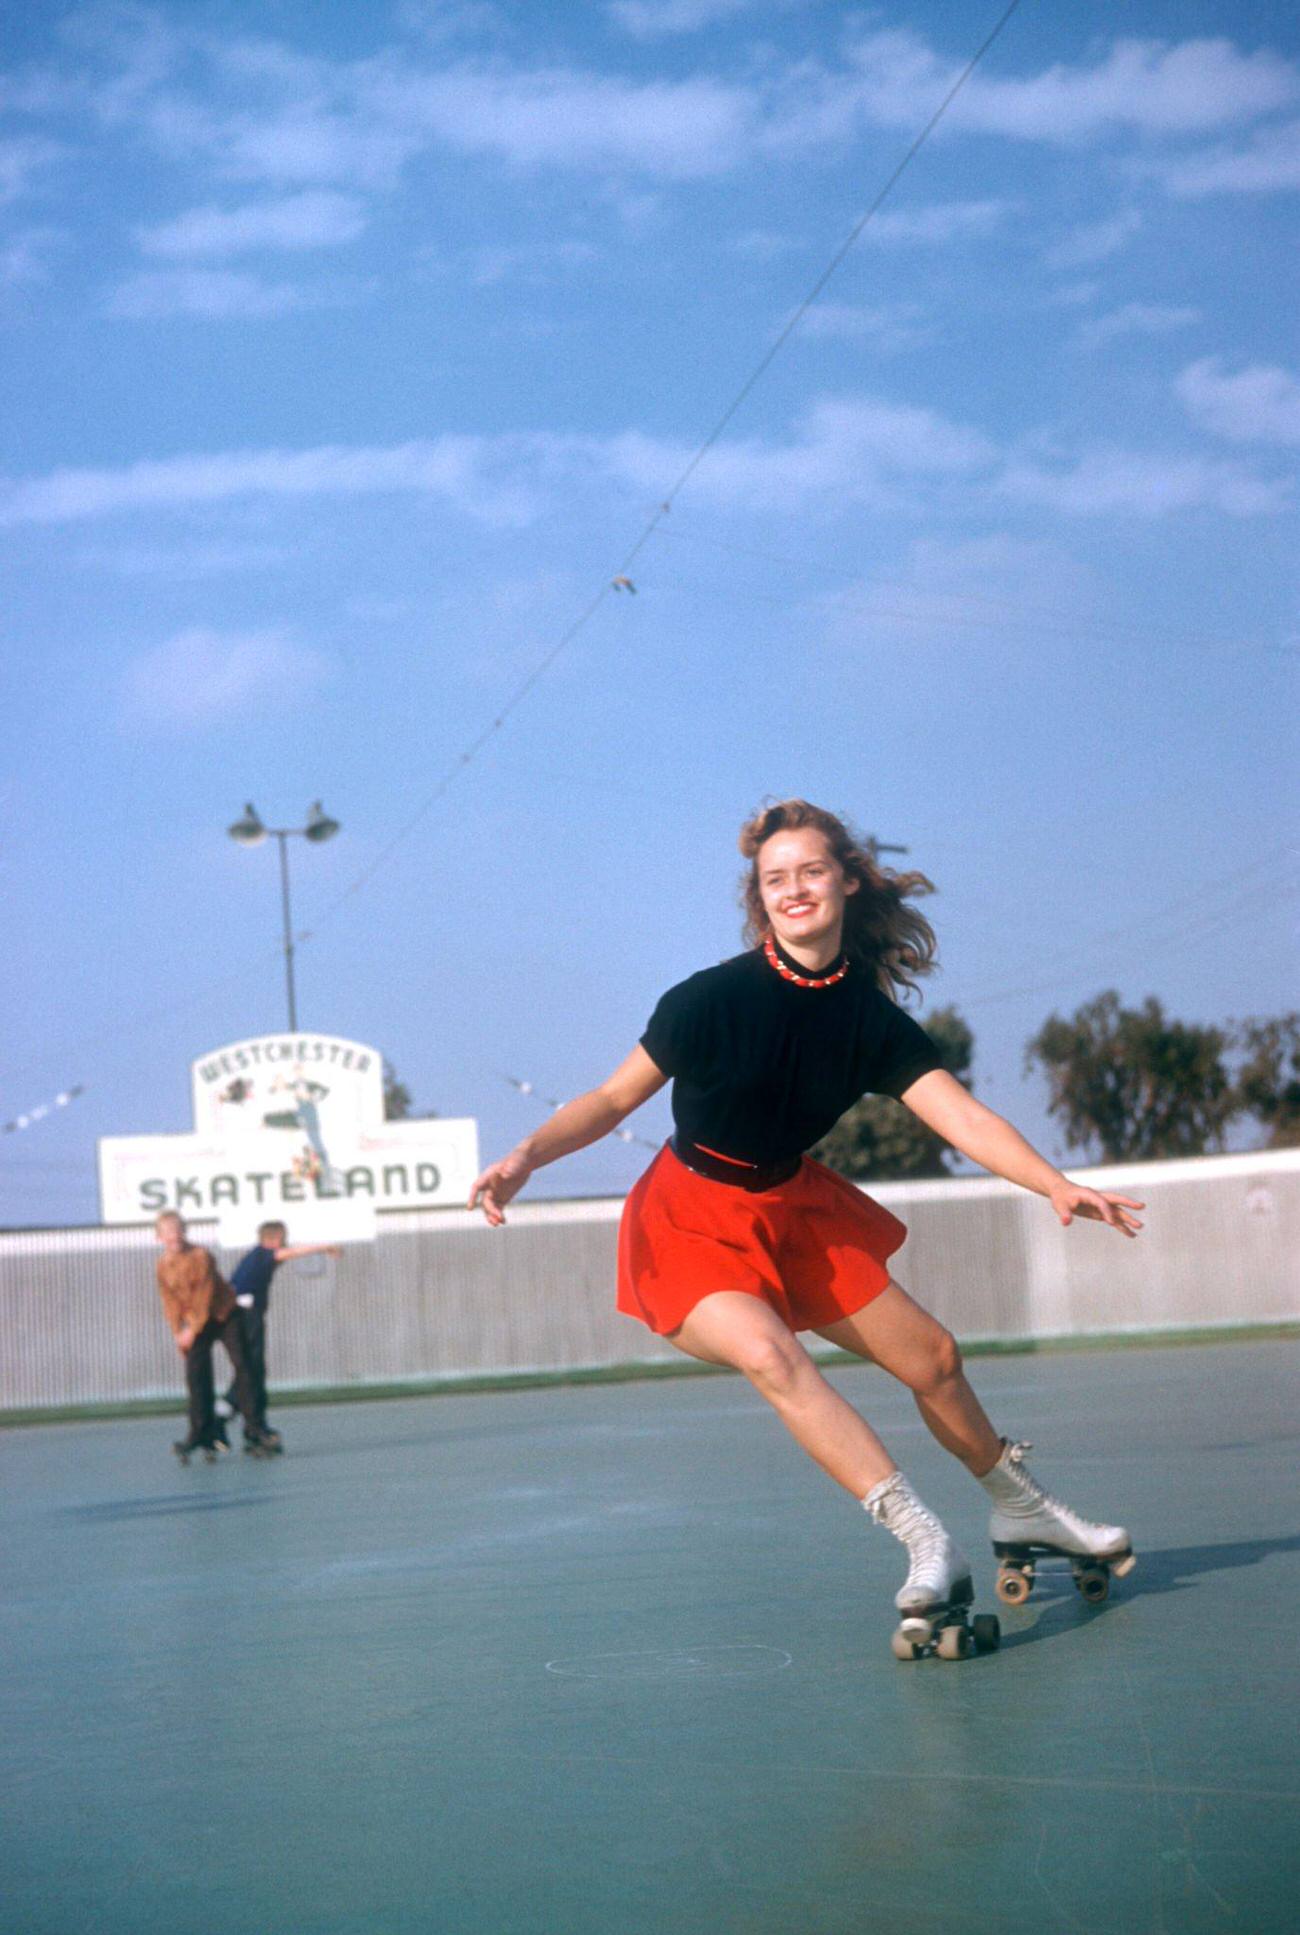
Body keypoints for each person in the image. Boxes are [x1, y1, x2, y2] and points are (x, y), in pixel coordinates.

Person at [469, 799, 1142, 1659]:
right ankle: (925, 1541)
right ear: (759, 896)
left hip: (793, 1209)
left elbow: (963, 1119)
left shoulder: (866, 1019)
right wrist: (526, 1155)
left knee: (933, 1358)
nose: (794, 889)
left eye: (811, 871)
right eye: (774, 878)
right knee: (771, 1354)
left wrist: (1054, 1181)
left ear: (848, 880)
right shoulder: (710, 998)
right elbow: (608, 1100)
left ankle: (1024, 1506)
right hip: (688, 1219)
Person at [153, 1210, 268, 1462]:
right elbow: (170, 1301)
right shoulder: (162, 1265)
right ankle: (202, 1433)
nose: (175, 1236)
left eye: (178, 1230)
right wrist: (177, 1332)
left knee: (244, 1367)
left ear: (185, 1232)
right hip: (195, 1324)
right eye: (169, 1233)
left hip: (224, 1315)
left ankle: (255, 1429)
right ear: (159, 1237)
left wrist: (191, 1331)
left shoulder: (201, 1256)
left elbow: (204, 1297)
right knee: (196, 1376)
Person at [220, 1221, 342, 1452]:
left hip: (241, 1315)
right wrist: (325, 1247)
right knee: (253, 1370)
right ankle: (247, 1425)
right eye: (283, 1238)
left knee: (248, 1370)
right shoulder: (265, 1254)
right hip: (247, 1316)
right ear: (275, 1239)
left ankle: (231, 1415)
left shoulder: (256, 1255)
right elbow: (291, 1252)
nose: (285, 1242)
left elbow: (289, 1250)